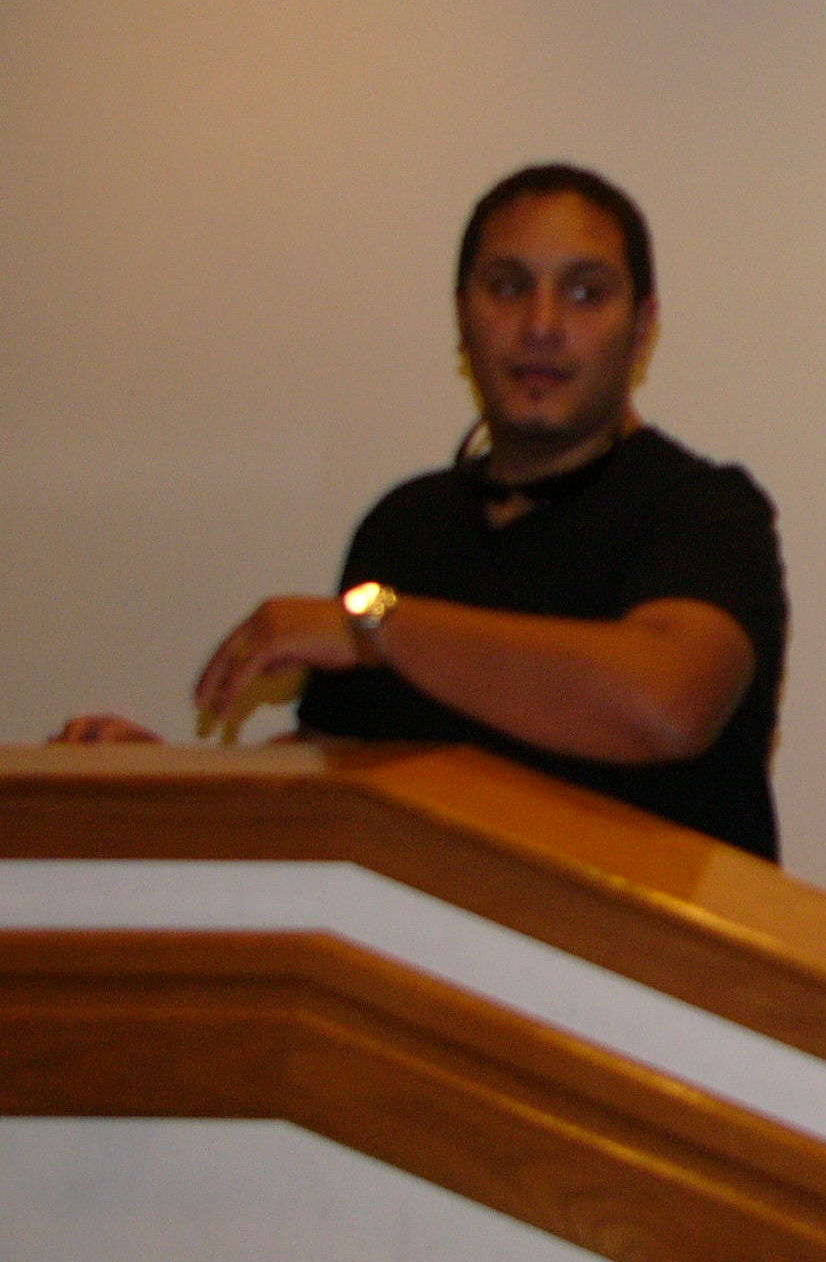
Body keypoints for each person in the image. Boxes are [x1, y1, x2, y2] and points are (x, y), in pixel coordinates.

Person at [56, 164, 787, 862]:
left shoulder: (704, 510)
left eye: (585, 293)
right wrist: (175, 790)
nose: (541, 324)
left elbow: (666, 706)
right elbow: (340, 778)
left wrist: (376, 624)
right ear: (463, 317)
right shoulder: (405, 525)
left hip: (634, 948)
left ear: (642, 326)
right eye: (508, 287)